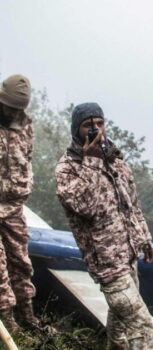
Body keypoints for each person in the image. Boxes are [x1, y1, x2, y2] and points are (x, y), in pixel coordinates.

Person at [55, 102, 153, 349]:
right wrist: (91, 161)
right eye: (88, 125)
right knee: (141, 327)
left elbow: (130, 205)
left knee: (120, 326)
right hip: (107, 263)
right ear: (76, 130)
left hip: (128, 255)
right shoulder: (67, 168)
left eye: (99, 123)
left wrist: (144, 238)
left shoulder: (116, 160)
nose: (96, 129)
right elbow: (85, 206)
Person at [0, 74, 40, 332]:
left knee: (21, 263)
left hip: (14, 207)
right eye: (11, 108)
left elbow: (27, 157)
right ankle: (7, 322)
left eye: (19, 109)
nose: (14, 114)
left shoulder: (26, 124)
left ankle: (28, 317)